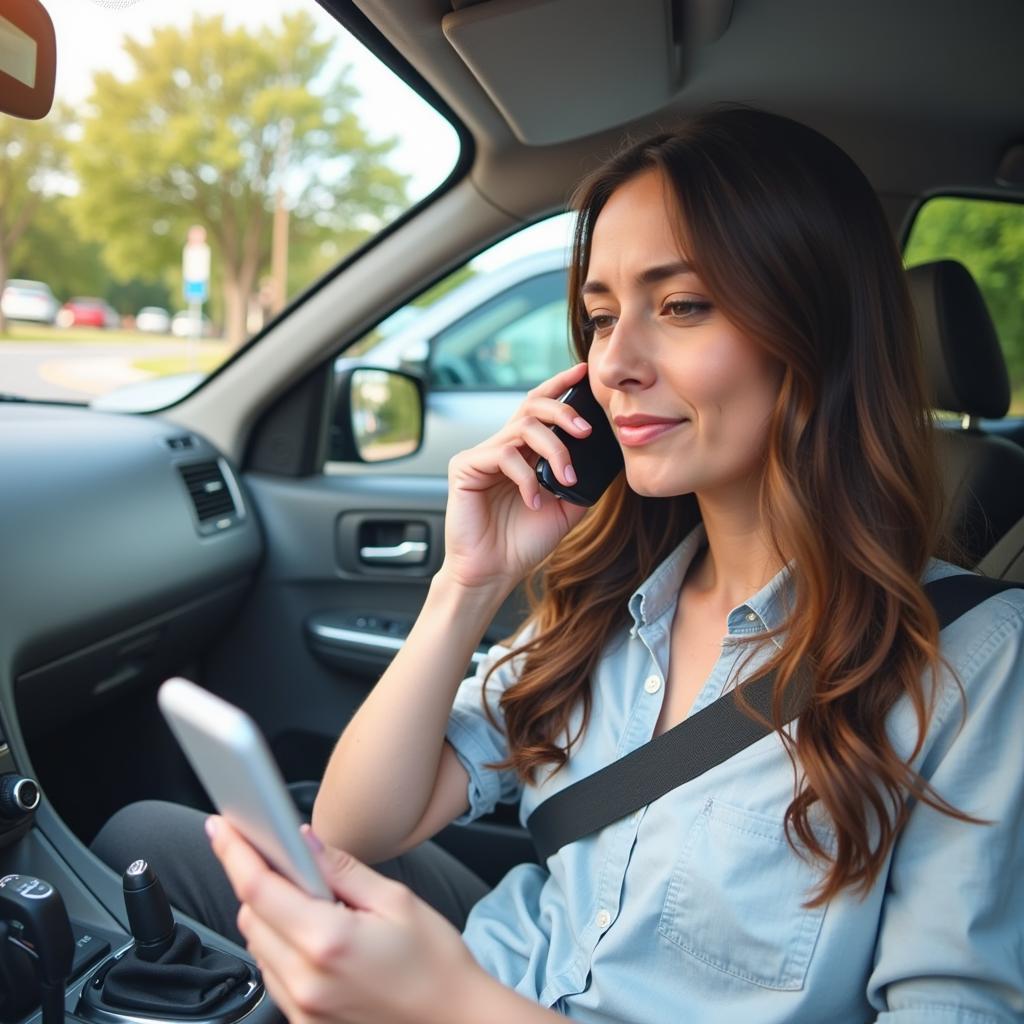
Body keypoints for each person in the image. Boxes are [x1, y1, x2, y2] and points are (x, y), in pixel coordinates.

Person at [95, 106, 1024, 1023]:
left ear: (818, 332)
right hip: (494, 969)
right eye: (600, 315)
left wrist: (448, 1007)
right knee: (146, 838)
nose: (614, 363)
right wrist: (467, 585)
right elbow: (355, 828)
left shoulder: (975, 665)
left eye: (683, 306)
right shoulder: (614, 593)